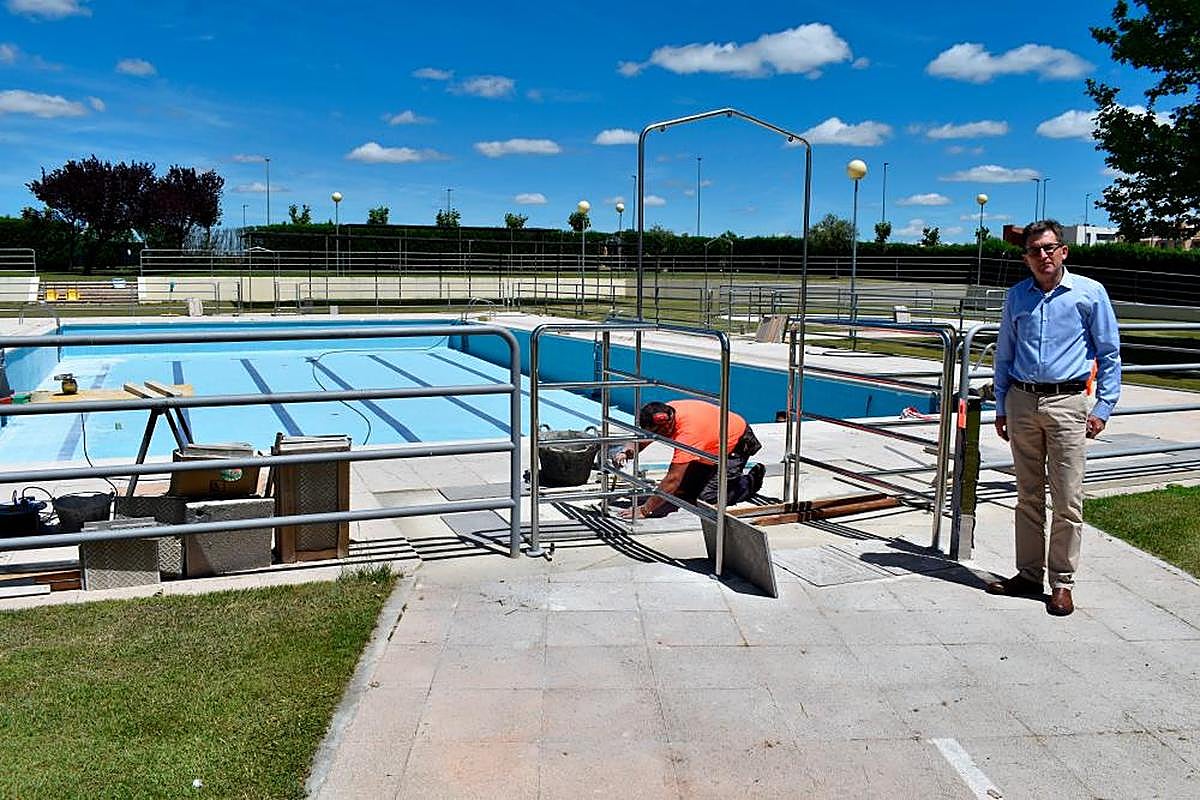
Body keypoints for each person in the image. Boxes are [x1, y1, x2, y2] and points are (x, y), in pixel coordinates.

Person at [989, 219, 1121, 616]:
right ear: (1026, 257)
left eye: (1049, 248)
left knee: (1067, 499)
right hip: (1022, 401)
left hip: (1068, 405)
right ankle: (1028, 575)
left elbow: (1110, 353)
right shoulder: (1017, 296)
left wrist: (1103, 407)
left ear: (1063, 251)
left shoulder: (1089, 293)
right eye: (1034, 250)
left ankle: (1061, 582)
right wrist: (1000, 405)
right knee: (1027, 496)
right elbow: (1005, 354)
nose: (1042, 256)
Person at [615, 399, 765, 519]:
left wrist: (645, 510)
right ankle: (711, 471)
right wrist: (627, 451)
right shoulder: (667, 411)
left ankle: (750, 482)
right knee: (682, 493)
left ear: (667, 425)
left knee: (708, 498)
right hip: (710, 448)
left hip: (735, 445)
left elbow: (673, 478)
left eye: (657, 433)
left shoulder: (687, 435)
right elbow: (646, 437)